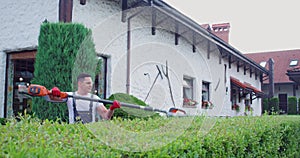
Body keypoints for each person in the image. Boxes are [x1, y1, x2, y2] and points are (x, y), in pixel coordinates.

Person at [51, 73, 120, 124]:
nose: (91, 85)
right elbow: (51, 98)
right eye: (88, 83)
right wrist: (53, 92)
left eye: (91, 83)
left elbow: (106, 116)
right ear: (79, 83)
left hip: (88, 134)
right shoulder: (70, 96)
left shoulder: (95, 98)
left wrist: (112, 108)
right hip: (73, 133)